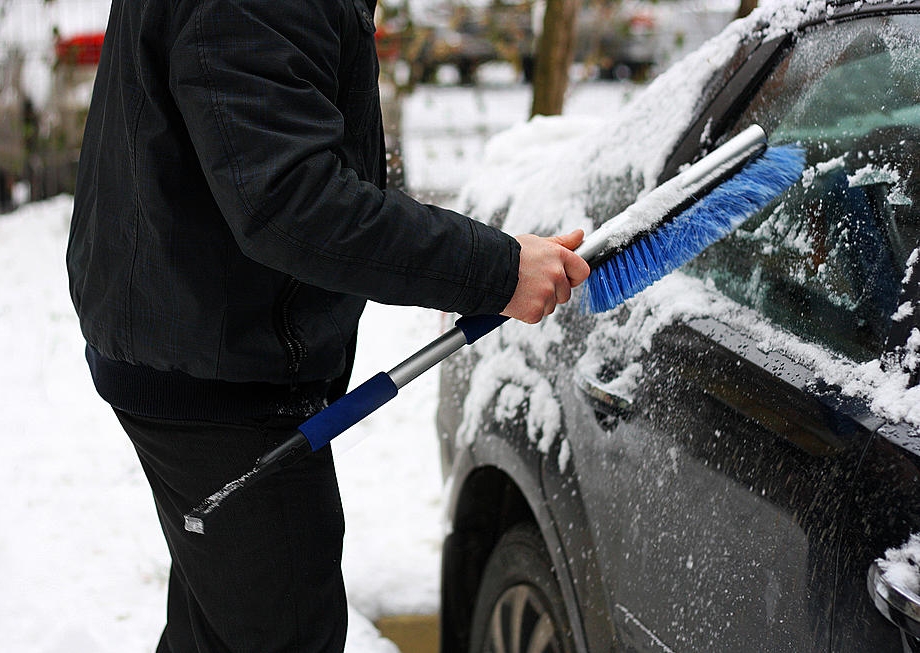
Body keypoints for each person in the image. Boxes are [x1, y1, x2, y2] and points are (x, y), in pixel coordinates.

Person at [65, 0, 589, 651]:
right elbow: (290, 200)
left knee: (221, 631)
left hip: (197, 338)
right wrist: (498, 269)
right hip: (222, 377)